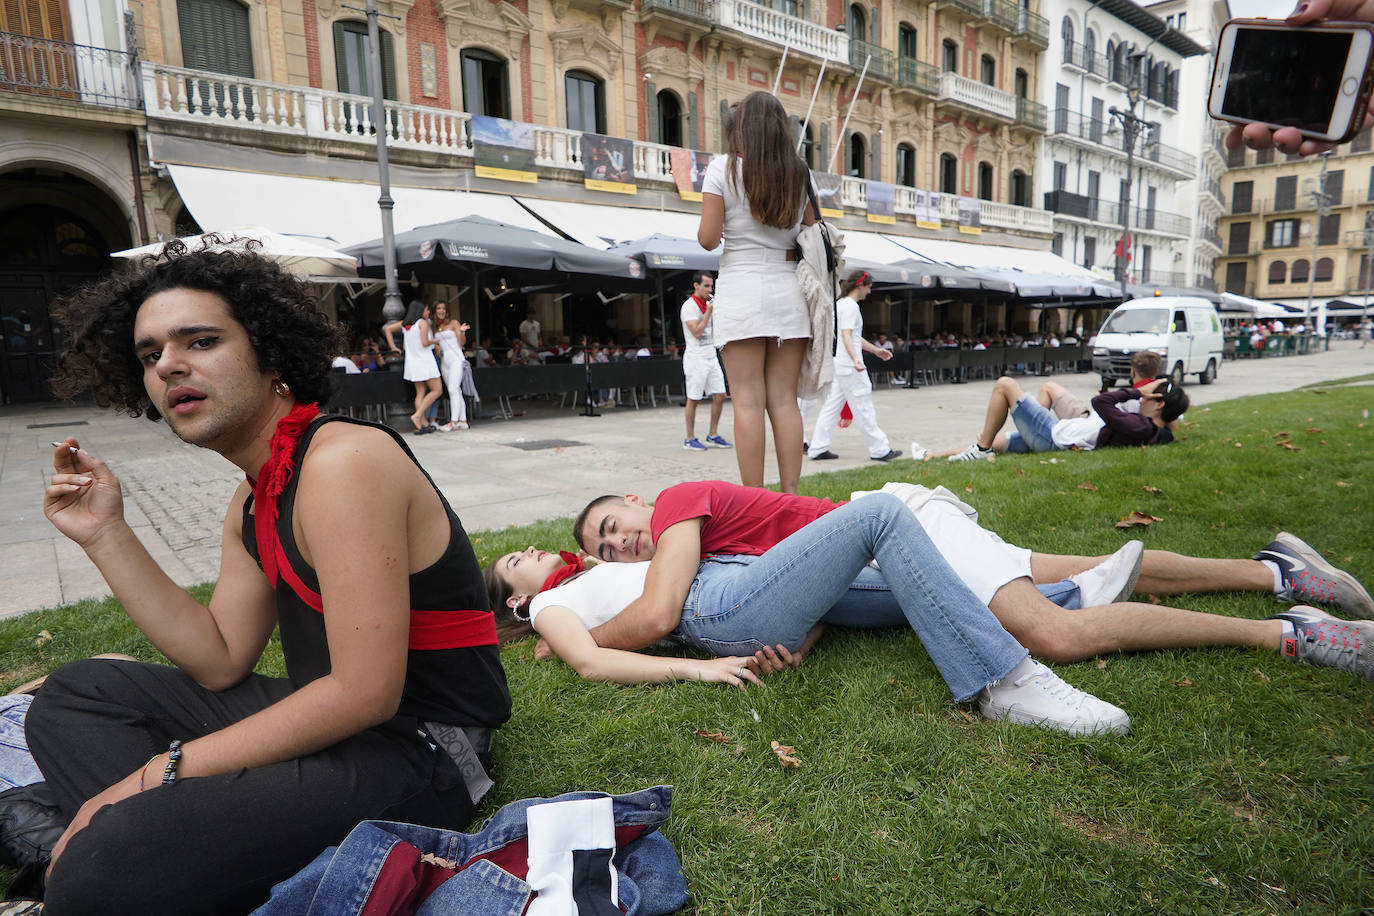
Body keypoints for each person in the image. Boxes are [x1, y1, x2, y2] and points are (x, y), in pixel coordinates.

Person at [33, 244, 511, 914]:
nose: (168, 365)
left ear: (271, 352)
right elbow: (221, 659)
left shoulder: (344, 461)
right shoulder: (254, 496)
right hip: (336, 729)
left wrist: (158, 771)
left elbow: (365, 694)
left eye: (201, 341)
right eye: (149, 355)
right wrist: (105, 533)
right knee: (78, 696)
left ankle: (116, 845)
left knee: (107, 863)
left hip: (423, 749)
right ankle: (137, 841)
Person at [564, 483, 1373, 693]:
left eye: (612, 525)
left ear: (634, 502)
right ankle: (1277, 572)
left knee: (1054, 631)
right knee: (1074, 566)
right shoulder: (706, 547)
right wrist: (797, 644)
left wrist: (574, 639)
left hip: (906, 534)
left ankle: (1294, 632)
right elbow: (807, 601)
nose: (620, 542)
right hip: (907, 532)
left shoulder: (675, 509)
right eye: (605, 547)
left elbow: (659, 613)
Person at [699, 91, 816, 493]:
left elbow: (708, 239)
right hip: (788, 288)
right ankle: (792, 496)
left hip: (741, 286)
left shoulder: (723, 168)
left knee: (747, 401)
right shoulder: (799, 172)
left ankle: (755, 500)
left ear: (739, 127)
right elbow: (811, 232)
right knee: (784, 400)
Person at [942, 376, 1187, 461]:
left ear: (1159, 405)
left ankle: (981, 450)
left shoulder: (1140, 426)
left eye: (1148, 397)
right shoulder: (1148, 427)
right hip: (1058, 433)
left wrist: (1137, 391)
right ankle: (934, 455)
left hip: (1052, 436)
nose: (1142, 400)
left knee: (1004, 385)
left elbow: (1100, 402)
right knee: (999, 442)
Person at [807, 270, 901, 463]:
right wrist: (856, 358)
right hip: (849, 366)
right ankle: (880, 449)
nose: (869, 292)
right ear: (860, 286)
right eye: (869, 287)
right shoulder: (851, 306)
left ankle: (818, 447)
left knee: (831, 407)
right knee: (863, 406)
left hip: (839, 364)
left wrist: (876, 350)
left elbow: (852, 336)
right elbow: (847, 335)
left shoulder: (840, 304)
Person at [679, 272, 732, 452]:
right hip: (696, 358)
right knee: (693, 398)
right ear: (696, 286)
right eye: (706, 286)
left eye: (711, 286)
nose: (710, 290)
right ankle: (689, 438)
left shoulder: (709, 304)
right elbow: (696, 332)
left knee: (720, 395)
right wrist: (709, 313)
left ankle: (713, 435)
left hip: (711, 355)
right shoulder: (689, 307)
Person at [383, 301, 443, 434]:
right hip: (425, 360)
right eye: (426, 310)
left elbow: (387, 329)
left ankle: (422, 424)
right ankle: (418, 415)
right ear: (420, 311)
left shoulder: (406, 324)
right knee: (437, 390)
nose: (428, 312)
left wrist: (393, 347)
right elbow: (425, 343)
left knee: (420, 392)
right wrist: (435, 342)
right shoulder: (422, 323)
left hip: (413, 362)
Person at [432, 301, 473, 432]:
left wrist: (461, 332)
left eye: (443, 308)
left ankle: (453, 421)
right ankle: (463, 421)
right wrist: (436, 346)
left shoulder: (453, 323)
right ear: (435, 311)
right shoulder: (435, 327)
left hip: (456, 357)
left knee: (452, 389)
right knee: (456, 391)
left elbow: (462, 342)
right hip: (444, 360)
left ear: (447, 311)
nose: (441, 311)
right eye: (438, 308)